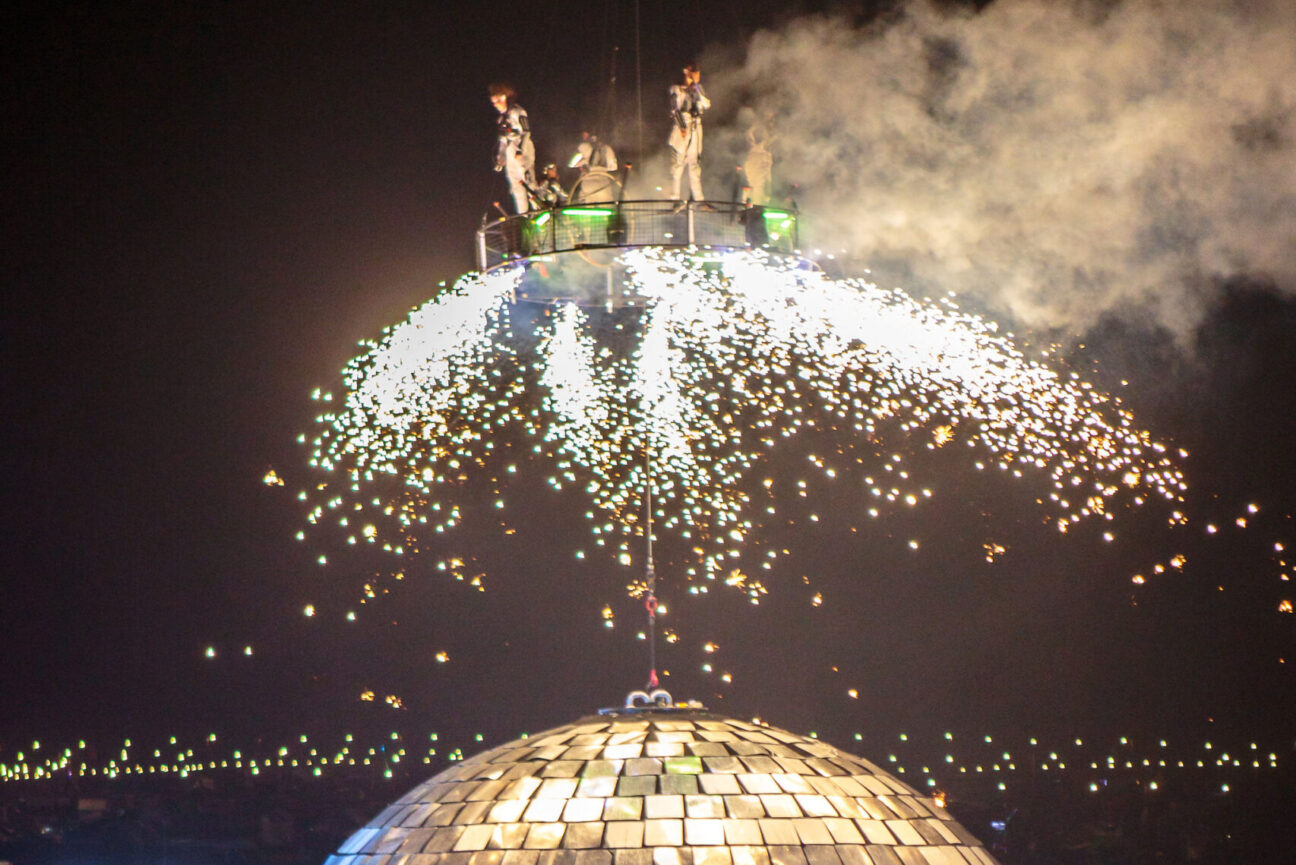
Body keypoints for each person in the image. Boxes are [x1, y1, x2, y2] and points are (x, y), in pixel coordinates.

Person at [489, 83, 536, 214]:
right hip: (510, 155)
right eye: (493, 102)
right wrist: (501, 158)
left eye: (498, 100)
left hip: (522, 150)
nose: (496, 104)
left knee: (528, 182)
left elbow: (526, 132)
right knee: (516, 187)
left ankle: (539, 209)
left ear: (505, 97)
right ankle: (524, 217)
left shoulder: (518, 111)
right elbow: (503, 142)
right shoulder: (501, 119)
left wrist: (520, 150)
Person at [667, 63, 710, 205]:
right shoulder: (676, 88)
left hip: (696, 126)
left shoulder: (699, 89)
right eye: (693, 72)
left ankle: (699, 200)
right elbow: (674, 109)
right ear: (686, 72)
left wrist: (696, 87)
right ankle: (675, 199)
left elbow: (706, 104)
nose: (696, 75)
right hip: (683, 125)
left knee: (694, 165)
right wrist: (682, 127)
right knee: (678, 165)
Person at [569, 131, 619, 203]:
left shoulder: (582, 147)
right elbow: (613, 167)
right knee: (606, 209)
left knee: (586, 210)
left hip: (588, 184)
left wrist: (582, 163)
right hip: (604, 185)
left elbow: (572, 163)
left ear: (587, 135)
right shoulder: (608, 148)